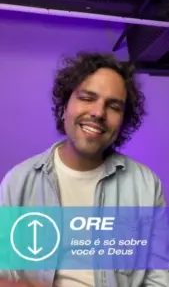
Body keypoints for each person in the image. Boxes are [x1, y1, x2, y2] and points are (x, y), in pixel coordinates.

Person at [0, 52, 168, 287]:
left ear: (122, 121)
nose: (98, 113)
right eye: (87, 98)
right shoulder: (18, 182)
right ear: (64, 106)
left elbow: (159, 280)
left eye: (113, 106)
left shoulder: (146, 185)